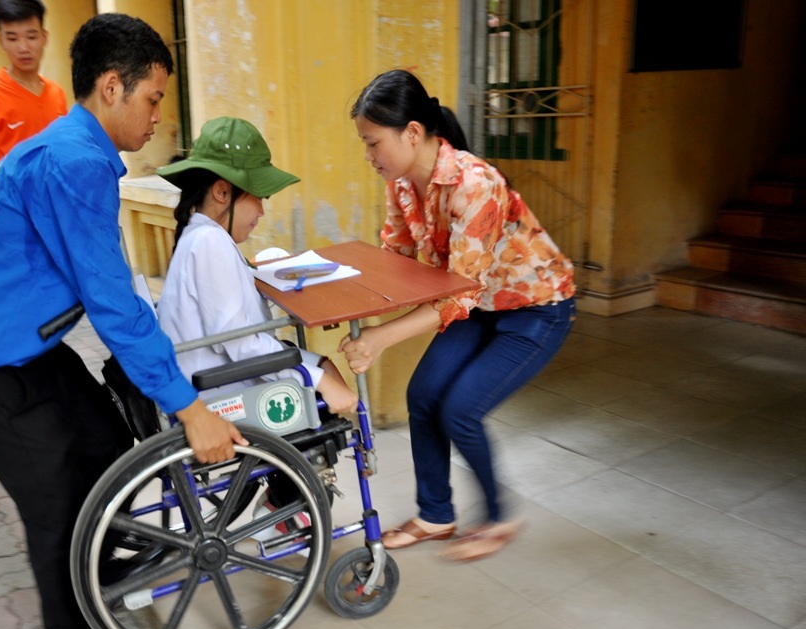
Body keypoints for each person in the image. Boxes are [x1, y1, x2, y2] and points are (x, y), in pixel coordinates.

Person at [0, 14, 245, 629]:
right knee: (53, 495)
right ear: (112, 87)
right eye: (152, 99)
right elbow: (110, 300)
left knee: (105, 440)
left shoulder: (70, 146)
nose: (157, 117)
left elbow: (106, 283)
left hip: (17, 337)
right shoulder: (75, 161)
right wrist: (188, 407)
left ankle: (96, 564)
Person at [340, 69, 576, 562]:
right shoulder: (403, 184)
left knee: (460, 410)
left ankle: (500, 517)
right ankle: (436, 515)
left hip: (536, 308)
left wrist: (379, 338)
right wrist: (338, 290)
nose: (368, 155)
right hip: (479, 304)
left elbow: (460, 295)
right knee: (423, 395)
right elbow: (397, 260)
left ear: (411, 133)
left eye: (373, 142)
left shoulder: (475, 183)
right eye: (364, 144)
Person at [155, 116, 359, 415]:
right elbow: (241, 344)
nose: (262, 211)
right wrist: (320, 381)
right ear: (222, 192)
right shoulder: (210, 242)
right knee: (329, 380)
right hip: (224, 393)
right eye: (259, 198)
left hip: (218, 377)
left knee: (322, 365)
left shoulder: (202, 237)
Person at [0, 0, 68, 188]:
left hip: (50, 201)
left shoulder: (57, 94)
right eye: (13, 39)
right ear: (1, 41)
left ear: (44, 37)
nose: (23, 47)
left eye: (31, 36)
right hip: (7, 202)